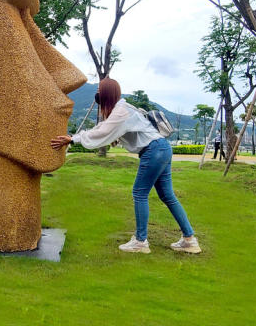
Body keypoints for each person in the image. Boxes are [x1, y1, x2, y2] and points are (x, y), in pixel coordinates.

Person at [51, 78, 200, 254]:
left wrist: (73, 138)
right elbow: (108, 128)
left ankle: (140, 241)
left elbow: (102, 131)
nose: (97, 94)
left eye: (99, 90)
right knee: (167, 195)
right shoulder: (122, 109)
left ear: (107, 93)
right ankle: (189, 240)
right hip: (162, 148)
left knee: (139, 193)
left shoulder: (121, 111)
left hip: (153, 150)